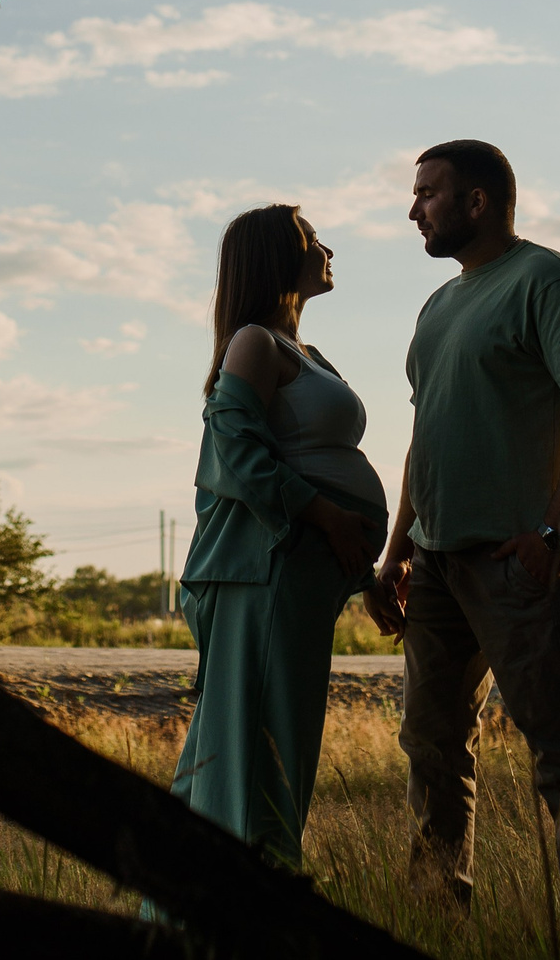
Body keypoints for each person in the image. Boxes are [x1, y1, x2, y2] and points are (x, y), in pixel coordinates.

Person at [365, 139, 560, 908]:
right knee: (432, 748)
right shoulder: (439, 305)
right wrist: (397, 551)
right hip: (438, 567)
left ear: (477, 202)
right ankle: (435, 918)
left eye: (427, 193)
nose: (413, 207)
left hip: (523, 564)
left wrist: (557, 533)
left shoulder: (549, 281)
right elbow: (430, 436)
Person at [170, 203, 387, 867]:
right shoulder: (253, 342)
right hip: (264, 578)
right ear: (277, 257)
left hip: (298, 580)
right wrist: (325, 516)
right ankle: (249, 904)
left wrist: (365, 577)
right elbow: (235, 450)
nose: (328, 248)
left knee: (282, 748)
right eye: (313, 238)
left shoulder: (306, 353)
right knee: (260, 755)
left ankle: (240, 902)